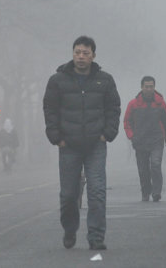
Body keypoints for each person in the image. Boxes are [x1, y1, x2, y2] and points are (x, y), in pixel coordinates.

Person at [43, 36, 121, 250]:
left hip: (96, 144)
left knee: (97, 192)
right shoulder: (57, 81)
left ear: (93, 56)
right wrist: (56, 137)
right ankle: (70, 228)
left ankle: (96, 237)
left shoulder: (105, 80)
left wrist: (108, 133)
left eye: (85, 53)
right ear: (72, 53)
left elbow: (113, 108)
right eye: (77, 52)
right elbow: (50, 109)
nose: (81, 57)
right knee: (69, 194)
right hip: (68, 145)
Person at [123, 76, 166, 202]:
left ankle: (156, 192)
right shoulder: (133, 104)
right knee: (143, 169)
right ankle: (145, 191)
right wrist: (131, 136)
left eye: (151, 86)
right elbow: (127, 121)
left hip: (157, 139)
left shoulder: (160, 103)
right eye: (146, 86)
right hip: (140, 141)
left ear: (154, 87)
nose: (149, 89)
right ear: (141, 87)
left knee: (155, 165)